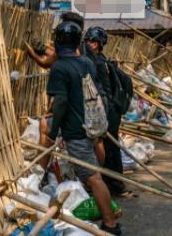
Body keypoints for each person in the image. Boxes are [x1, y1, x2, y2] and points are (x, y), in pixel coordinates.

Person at [45, 21, 121, 235]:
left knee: (94, 179)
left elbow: (60, 102)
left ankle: (111, 225)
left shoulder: (59, 68)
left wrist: (53, 132)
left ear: (57, 41)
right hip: (90, 126)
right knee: (95, 175)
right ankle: (110, 220)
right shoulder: (86, 62)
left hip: (76, 131)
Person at [83, 27, 134, 198]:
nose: (86, 44)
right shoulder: (99, 59)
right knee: (109, 146)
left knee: (109, 148)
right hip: (110, 109)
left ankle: (115, 185)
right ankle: (112, 183)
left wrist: (101, 114)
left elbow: (103, 92)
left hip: (108, 109)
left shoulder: (97, 62)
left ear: (96, 44)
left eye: (89, 41)